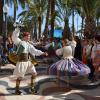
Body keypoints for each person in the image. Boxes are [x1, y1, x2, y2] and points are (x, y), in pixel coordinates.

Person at [12, 27, 48, 95]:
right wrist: (17, 29)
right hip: (22, 62)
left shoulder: (29, 44)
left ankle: (32, 88)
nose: (29, 38)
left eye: (29, 37)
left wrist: (42, 53)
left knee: (34, 73)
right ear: (24, 37)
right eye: (28, 36)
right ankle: (17, 90)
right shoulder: (19, 42)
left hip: (28, 62)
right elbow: (14, 36)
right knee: (20, 77)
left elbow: (35, 51)